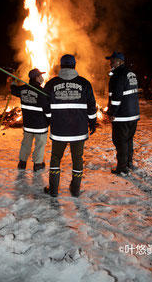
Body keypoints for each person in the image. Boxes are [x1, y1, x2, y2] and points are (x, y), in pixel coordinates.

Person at [43, 54, 97, 198]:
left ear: (61, 66)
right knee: (77, 158)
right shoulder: (84, 83)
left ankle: (54, 190)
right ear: (75, 65)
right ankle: (75, 189)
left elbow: (45, 106)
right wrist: (92, 122)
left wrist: (50, 120)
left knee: (55, 158)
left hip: (59, 130)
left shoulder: (51, 84)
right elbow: (91, 106)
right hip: (78, 130)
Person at [105, 51, 140, 175]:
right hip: (133, 114)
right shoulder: (131, 73)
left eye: (112, 60)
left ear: (120, 62)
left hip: (122, 115)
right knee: (128, 140)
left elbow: (116, 97)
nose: (110, 63)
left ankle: (122, 167)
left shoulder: (118, 75)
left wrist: (112, 113)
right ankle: (129, 162)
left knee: (120, 141)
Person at [11, 68, 50, 171]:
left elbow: (13, 90)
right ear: (36, 78)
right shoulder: (41, 92)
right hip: (40, 126)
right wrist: (50, 121)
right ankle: (37, 164)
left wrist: (13, 81)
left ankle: (22, 163)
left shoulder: (22, 89)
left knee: (26, 143)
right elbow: (47, 110)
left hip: (28, 125)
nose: (42, 78)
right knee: (39, 145)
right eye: (40, 76)